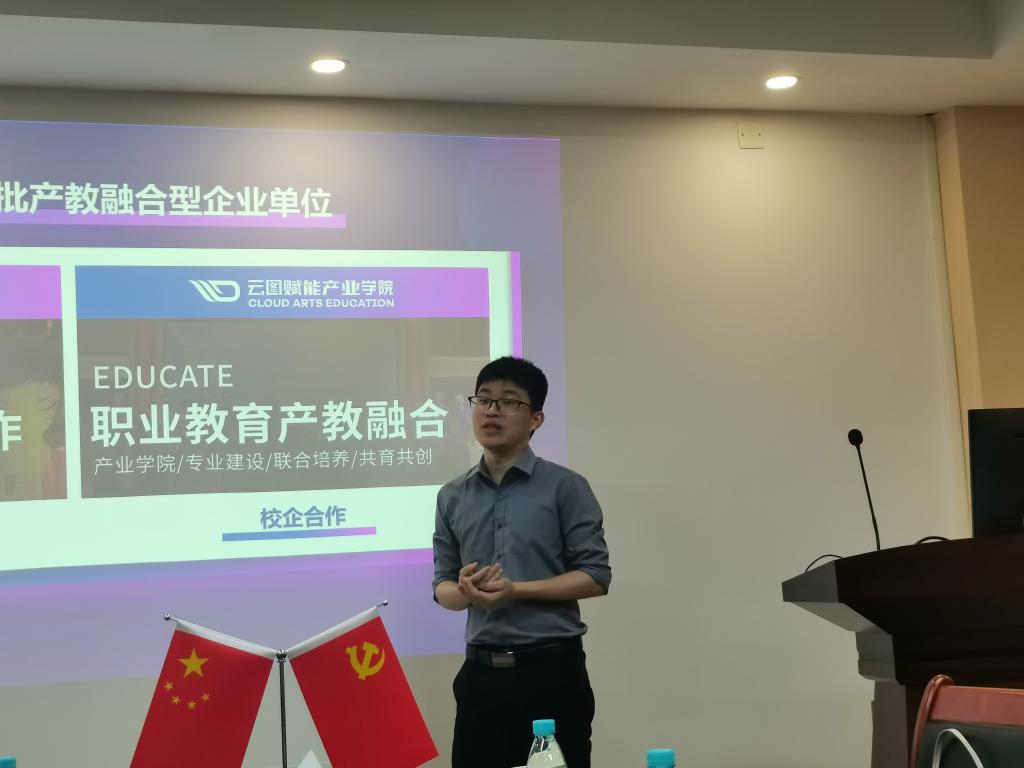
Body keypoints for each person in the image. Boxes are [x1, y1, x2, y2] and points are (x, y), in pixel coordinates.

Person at [432, 356, 612, 768]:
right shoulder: (452, 495)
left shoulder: (566, 487)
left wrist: (516, 590)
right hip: (480, 677)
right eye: (483, 399)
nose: (492, 410)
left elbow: (596, 576)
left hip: (551, 672)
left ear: (536, 419)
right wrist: (464, 592)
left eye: (509, 401)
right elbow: (442, 586)